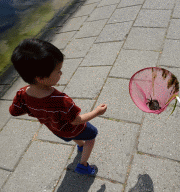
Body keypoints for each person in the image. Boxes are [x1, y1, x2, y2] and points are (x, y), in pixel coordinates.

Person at [9, 38, 107, 175]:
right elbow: (76, 120)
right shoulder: (60, 100)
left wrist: (33, 109)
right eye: (58, 71)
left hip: (56, 129)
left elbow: (14, 111)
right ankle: (83, 165)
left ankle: (80, 146)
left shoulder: (22, 94)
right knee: (91, 136)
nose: (61, 73)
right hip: (72, 127)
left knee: (72, 135)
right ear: (40, 78)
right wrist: (97, 112)